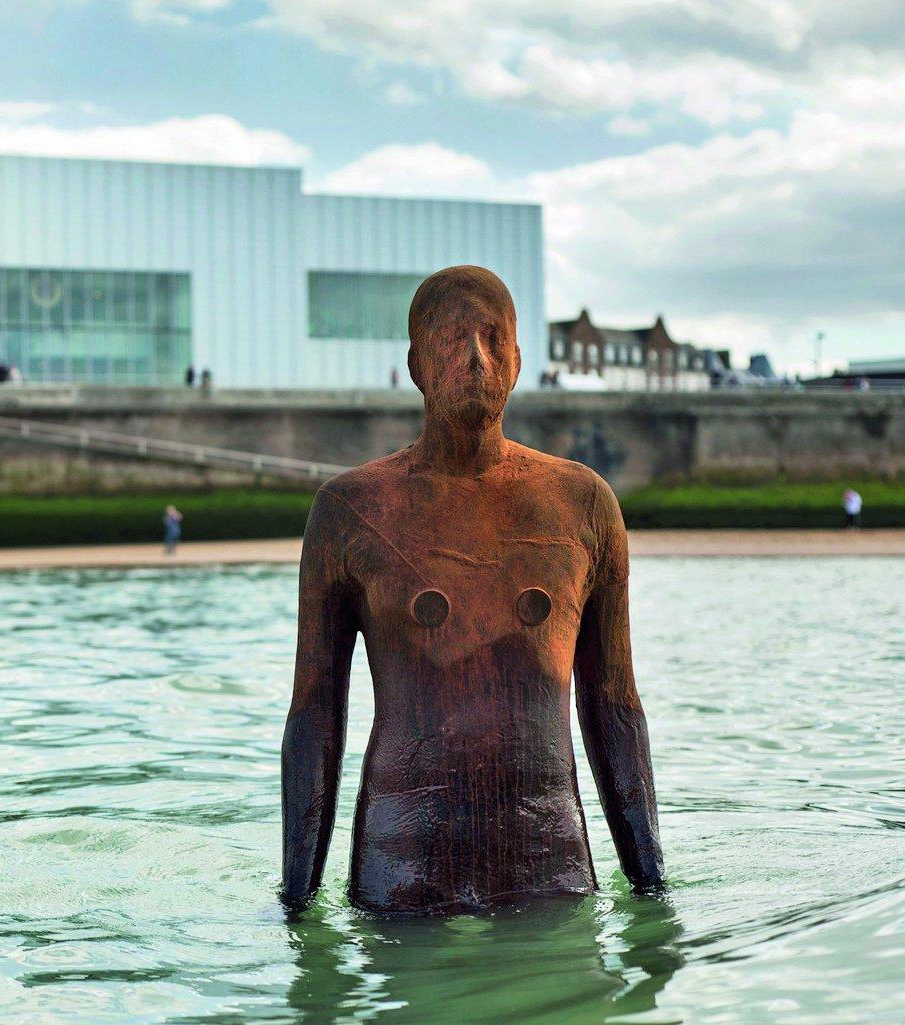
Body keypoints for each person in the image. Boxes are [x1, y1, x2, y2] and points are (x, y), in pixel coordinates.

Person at [281, 265, 664, 917]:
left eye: (493, 338)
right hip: (401, 874)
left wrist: (653, 887)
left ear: (517, 358)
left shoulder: (582, 504)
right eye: (454, 339)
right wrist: (295, 899)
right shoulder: (350, 510)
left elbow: (614, 704)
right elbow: (316, 714)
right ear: (416, 364)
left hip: (550, 869)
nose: (477, 360)